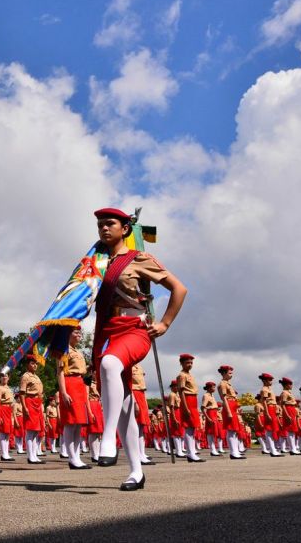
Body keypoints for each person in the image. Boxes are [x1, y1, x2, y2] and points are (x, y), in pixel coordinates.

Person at [90, 207, 187, 491]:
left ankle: (108, 438)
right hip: (107, 331)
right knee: (123, 406)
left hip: (135, 330)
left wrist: (166, 323)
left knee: (109, 364)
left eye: (110, 224)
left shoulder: (139, 258)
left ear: (125, 229)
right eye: (100, 225)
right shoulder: (94, 262)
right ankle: (136, 472)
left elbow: (179, 288)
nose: (104, 229)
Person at [57, 327, 91, 470]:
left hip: (79, 384)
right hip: (70, 384)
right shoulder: (63, 349)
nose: (79, 334)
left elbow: (82, 371)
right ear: (68, 334)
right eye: (75, 332)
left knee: (78, 424)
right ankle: (72, 458)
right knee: (70, 423)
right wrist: (64, 392)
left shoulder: (78, 351)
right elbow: (60, 373)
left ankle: (76, 456)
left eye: (80, 332)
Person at [175, 354, 202, 462]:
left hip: (193, 400)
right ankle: (190, 453)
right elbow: (181, 392)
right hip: (187, 400)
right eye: (187, 362)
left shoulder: (189, 375)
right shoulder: (182, 375)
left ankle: (192, 452)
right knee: (188, 428)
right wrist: (186, 408)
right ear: (181, 363)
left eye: (191, 363)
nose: (190, 365)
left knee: (193, 428)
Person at [18, 355, 44, 464]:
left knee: (35, 432)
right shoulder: (26, 376)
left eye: (36, 363)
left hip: (37, 403)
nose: (35, 365)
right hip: (30, 401)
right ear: (27, 364)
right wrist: (24, 407)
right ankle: (30, 456)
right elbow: (22, 393)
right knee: (30, 430)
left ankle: (34, 454)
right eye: (32, 363)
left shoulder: (36, 377)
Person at [217, 365, 244, 459]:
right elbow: (224, 398)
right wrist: (228, 411)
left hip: (233, 406)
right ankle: (233, 452)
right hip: (228, 405)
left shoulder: (228, 384)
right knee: (231, 430)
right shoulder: (222, 384)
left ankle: (235, 451)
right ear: (224, 373)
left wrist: (237, 408)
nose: (231, 375)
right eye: (229, 373)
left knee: (234, 430)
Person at [131, 363, 154, 465]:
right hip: (134, 394)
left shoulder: (139, 366)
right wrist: (134, 402)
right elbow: (128, 385)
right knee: (135, 428)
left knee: (141, 428)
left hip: (141, 394)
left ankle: (142, 453)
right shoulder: (128, 366)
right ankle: (137, 455)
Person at [257, 373, 282, 457]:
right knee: (269, 430)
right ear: (264, 381)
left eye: (271, 380)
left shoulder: (269, 389)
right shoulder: (264, 390)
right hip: (269, 408)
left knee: (272, 429)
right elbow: (264, 402)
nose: (271, 381)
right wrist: (267, 413)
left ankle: (273, 449)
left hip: (273, 408)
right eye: (269, 380)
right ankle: (272, 449)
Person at [0, 372, 15, 461]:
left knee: (7, 433)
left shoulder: (9, 388)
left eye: (6, 376)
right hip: (2, 408)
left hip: (8, 410)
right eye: (2, 376)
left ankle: (6, 452)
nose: (4, 378)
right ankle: (3, 454)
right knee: (3, 433)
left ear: (9, 378)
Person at [201, 381, 222, 457]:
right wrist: (208, 418)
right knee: (210, 433)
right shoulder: (206, 396)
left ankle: (214, 449)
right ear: (209, 388)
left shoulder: (211, 395)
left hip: (214, 413)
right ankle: (212, 450)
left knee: (214, 433)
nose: (214, 388)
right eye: (213, 387)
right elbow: (202, 408)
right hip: (210, 413)